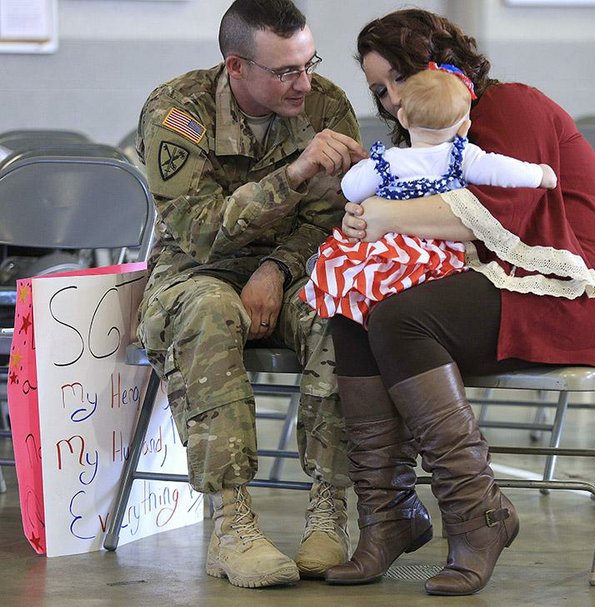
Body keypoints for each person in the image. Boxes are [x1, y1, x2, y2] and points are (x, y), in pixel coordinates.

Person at [323, 8, 595, 596]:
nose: (390, 102)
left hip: (565, 286)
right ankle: (387, 518)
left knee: (401, 316)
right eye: (379, 92)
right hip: (497, 280)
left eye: (396, 82)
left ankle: (477, 515)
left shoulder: (510, 104)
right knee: (355, 303)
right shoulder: (425, 136)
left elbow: (494, 218)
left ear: (435, 66)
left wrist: (382, 215)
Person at [135, 0, 366, 588]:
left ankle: (328, 508)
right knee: (209, 311)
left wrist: (275, 270)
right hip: (193, 272)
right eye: (285, 71)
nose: (304, 82)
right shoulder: (176, 111)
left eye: (309, 63)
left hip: (292, 269)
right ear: (236, 67)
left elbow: (332, 220)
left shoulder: (325, 104)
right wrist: (290, 175)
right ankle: (230, 519)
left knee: (337, 308)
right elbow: (203, 232)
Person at [301, 65, 557, 325]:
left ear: (403, 119)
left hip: (388, 252)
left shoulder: (388, 161)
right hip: (438, 255)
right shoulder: (461, 157)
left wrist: (364, 171)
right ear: (464, 128)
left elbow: (351, 189)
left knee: (363, 292)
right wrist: (540, 174)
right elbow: (502, 170)